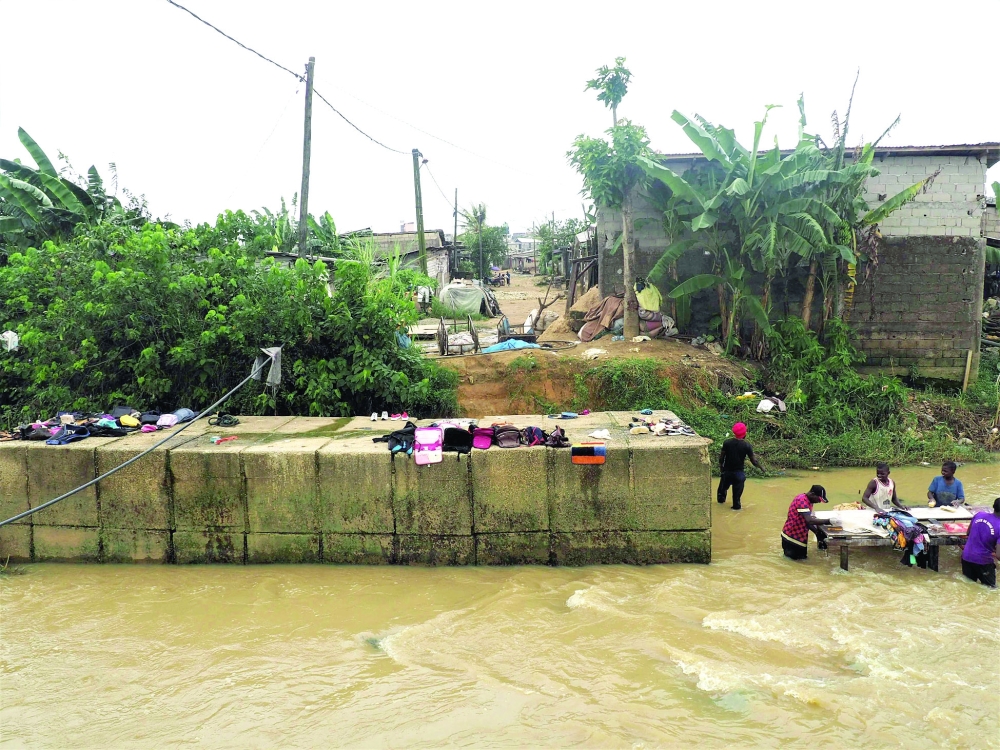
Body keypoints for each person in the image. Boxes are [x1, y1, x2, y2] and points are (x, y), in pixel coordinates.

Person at [717, 422, 763, 510]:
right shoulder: (747, 446)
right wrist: (762, 468)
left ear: (734, 432)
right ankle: (735, 509)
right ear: (745, 433)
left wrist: (721, 469)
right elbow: (754, 461)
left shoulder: (727, 443)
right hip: (739, 475)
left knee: (721, 496)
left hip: (727, 473)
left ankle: (719, 507)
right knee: (737, 504)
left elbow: (721, 458)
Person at [781, 485, 831, 560]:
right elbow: (809, 520)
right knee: (795, 563)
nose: (819, 501)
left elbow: (806, 521)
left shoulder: (809, 501)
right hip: (792, 537)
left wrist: (817, 532)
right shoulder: (801, 500)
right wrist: (829, 521)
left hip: (800, 537)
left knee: (802, 561)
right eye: (819, 499)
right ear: (812, 494)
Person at [961, 498, 999, 588]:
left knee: (968, 586)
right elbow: (998, 555)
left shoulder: (979, 515)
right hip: (983, 561)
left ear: (993, 507)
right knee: (991, 590)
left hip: (966, 557)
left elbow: (968, 533)